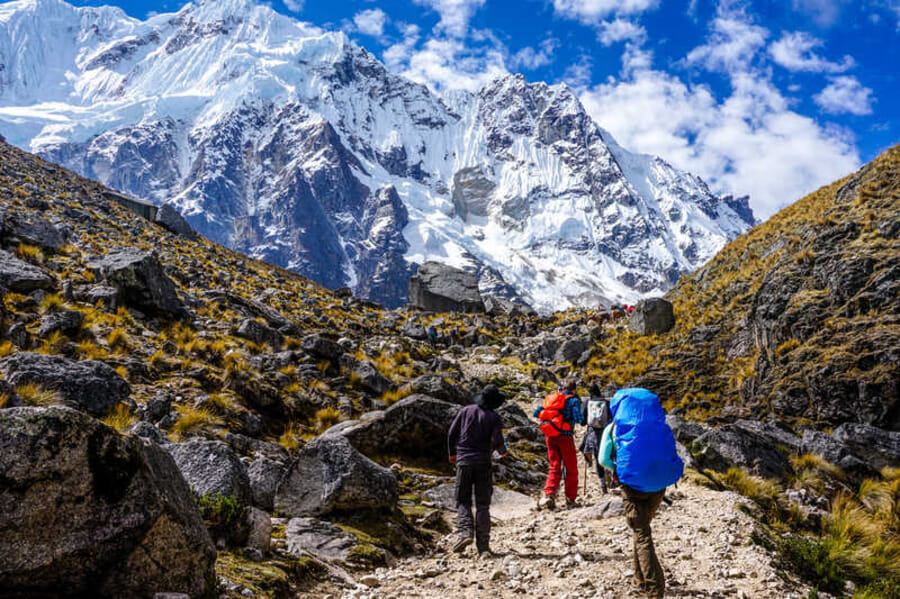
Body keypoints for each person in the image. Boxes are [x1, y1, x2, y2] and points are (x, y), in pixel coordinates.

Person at [599, 388, 683, 598]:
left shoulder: (614, 427)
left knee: (642, 533)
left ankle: (655, 589)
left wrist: (618, 469)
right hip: (659, 486)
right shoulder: (660, 426)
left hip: (632, 486)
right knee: (642, 528)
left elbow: (603, 460)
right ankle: (639, 577)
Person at [447, 384, 508, 556]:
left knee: (462, 499)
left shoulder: (465, 411)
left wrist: (452, 454)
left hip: (464, 460)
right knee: (483, 504)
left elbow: (452, 434)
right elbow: (497, 440)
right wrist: (503, 452)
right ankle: (484, 547)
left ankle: (466, 533)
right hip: (483, 461)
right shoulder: (494, 417)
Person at [533, 377, 585, 510]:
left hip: (550, 436)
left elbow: (536, 413)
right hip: (565, 437)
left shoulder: (552, 399)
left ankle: (549, 494)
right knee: (571, 468)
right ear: (574, 390)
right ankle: (570, 499)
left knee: (554, 466)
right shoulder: (573, 401)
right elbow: (578, 418)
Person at [579, 382, 614, 493]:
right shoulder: (606, 403)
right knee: (608, 455)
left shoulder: (586, 403)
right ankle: (610, 477)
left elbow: (583, 422)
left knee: (598, 457)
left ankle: (602, 485)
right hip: (606, 433)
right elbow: (612, 418)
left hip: (592, 435)